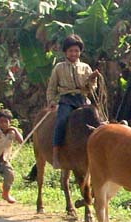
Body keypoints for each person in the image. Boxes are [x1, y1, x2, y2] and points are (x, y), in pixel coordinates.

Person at [46, 34, 99, 169]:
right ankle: (56, 154)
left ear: (80, 51)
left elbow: (92, 88)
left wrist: (92, 80)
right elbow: (51, 87)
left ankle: (98, 152)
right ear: (65, 52)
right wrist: (52, 101)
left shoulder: (86, 67)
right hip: (67, 100)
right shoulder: (59, 67)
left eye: (76, 50)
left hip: (82, 99)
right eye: (71, 51)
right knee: (61, 121)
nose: (73, 53)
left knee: (98, 121)